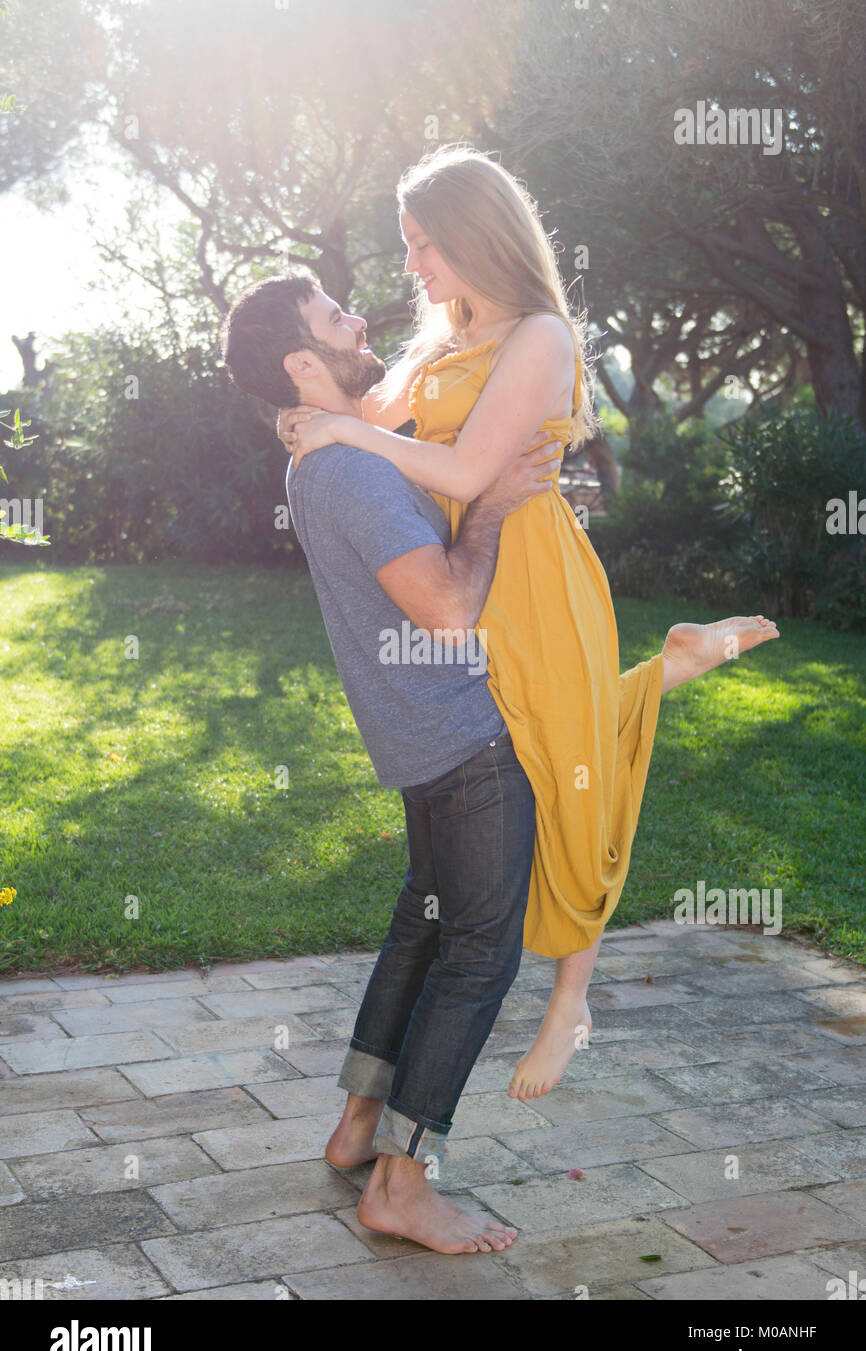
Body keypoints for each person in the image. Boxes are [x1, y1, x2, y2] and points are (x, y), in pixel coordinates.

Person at [280, 144, 780, 1103]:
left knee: (570, 773)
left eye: (426, 245)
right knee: (552, 744)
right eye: (410, 246)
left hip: (536, 572)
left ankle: (570, 1006)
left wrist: (342, 430)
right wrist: (306, 415)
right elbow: (362, 410)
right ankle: (672, 668)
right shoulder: (444, 336)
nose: (415, 266)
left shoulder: (542, 337)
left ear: (475, 234)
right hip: (476, 571)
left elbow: (463, 473)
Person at [220, 271, 562, 1255]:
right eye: (333, 316)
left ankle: (360, 1128)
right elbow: (448, 607)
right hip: (462, 736)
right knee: (477, 956)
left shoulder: (326, 454)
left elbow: (399, 393)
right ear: (299, 361)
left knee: (424, 929)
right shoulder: (349, 473)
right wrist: (494, 502)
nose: (355, 317)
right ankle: (402, 1187)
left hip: (419, 740)